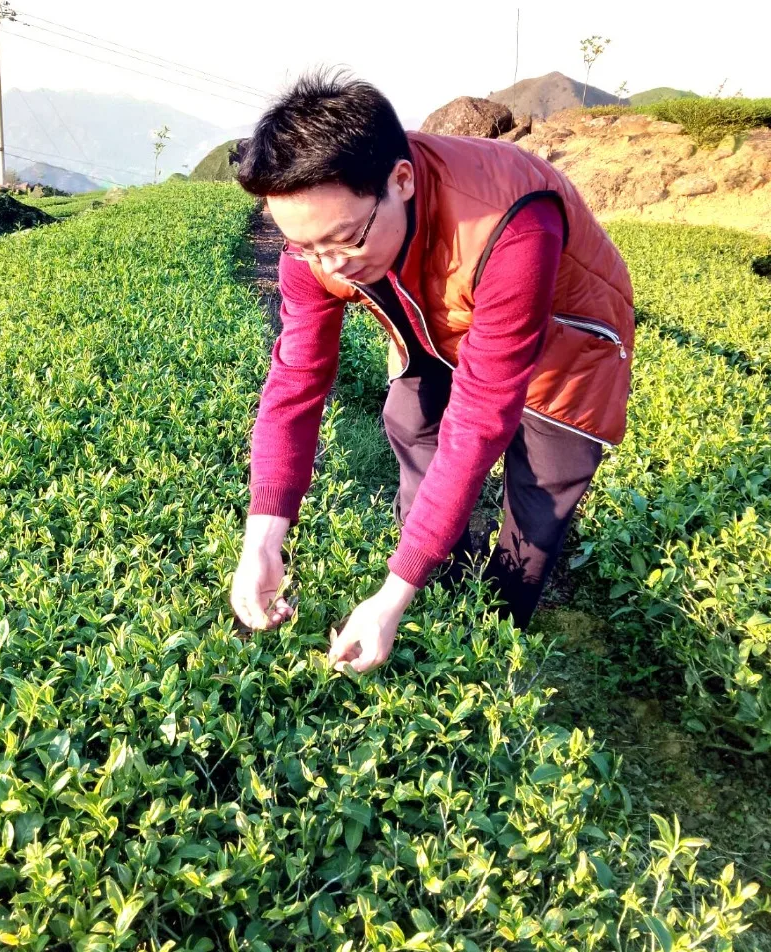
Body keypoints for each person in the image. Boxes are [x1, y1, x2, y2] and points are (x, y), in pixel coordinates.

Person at [229, 68, 634, 674]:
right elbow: (294, 385)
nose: (329, 267)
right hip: (437, 315)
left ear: (401, 181)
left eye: (343, 241)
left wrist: (391, 592)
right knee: (412, 418)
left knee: (539, 494)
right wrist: (262, 539)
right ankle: (436, 585)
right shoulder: (319, 238)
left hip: (564, 343)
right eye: (307, 247)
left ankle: (496, 629)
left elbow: (480, 415)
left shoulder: (510, 218)